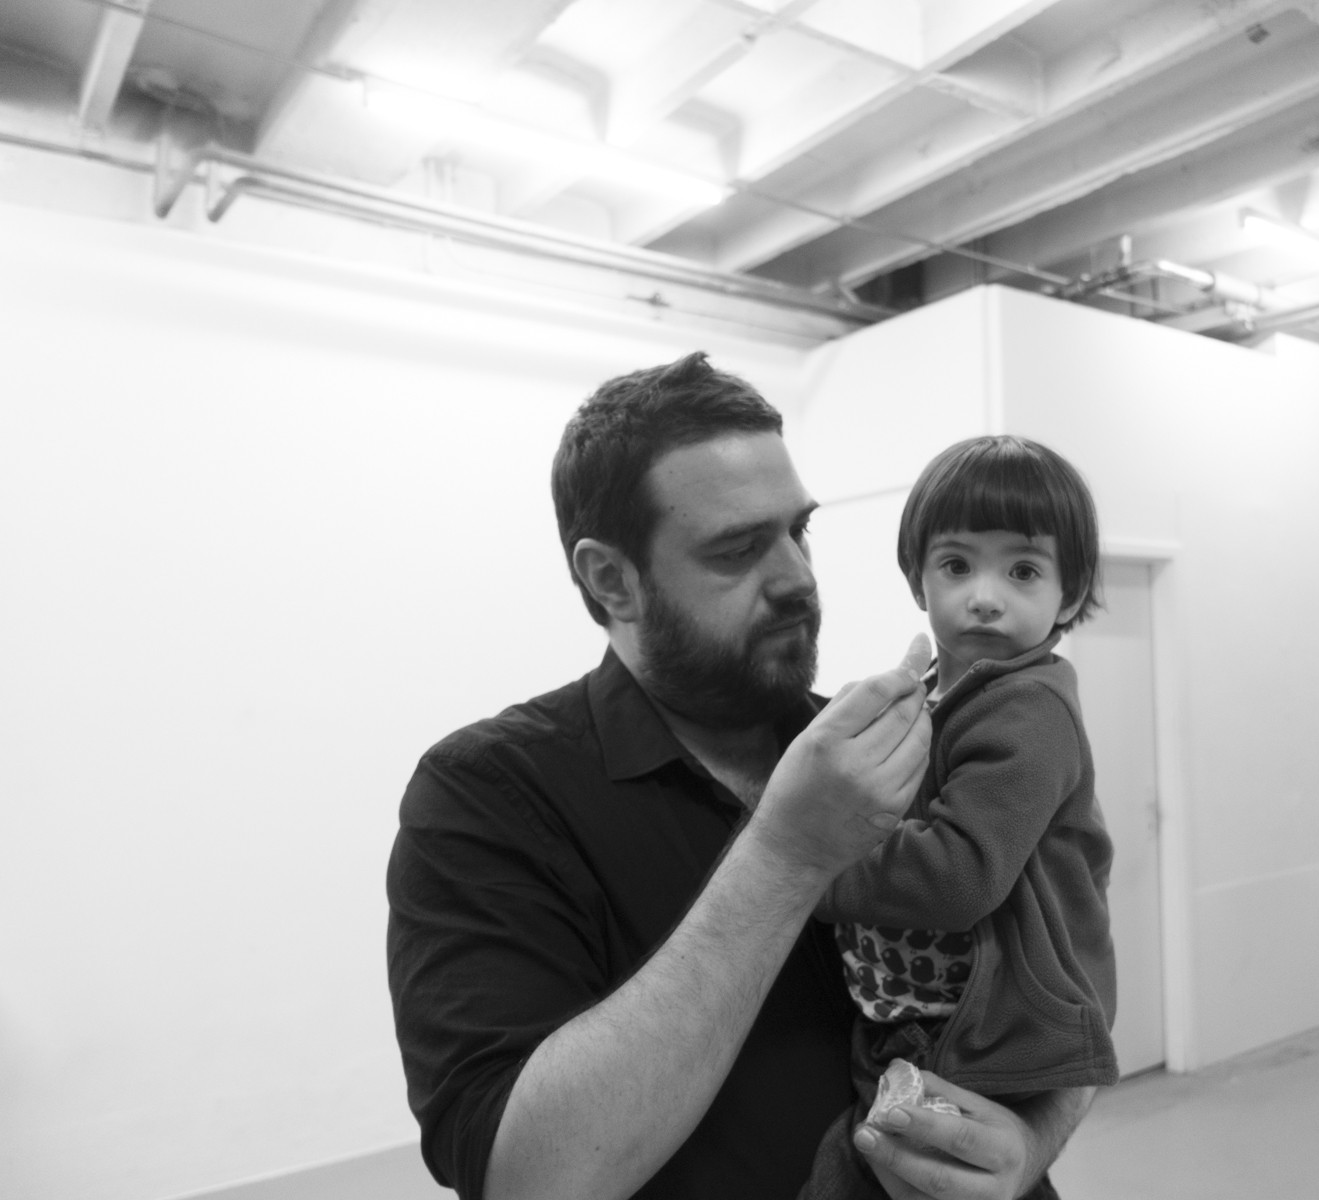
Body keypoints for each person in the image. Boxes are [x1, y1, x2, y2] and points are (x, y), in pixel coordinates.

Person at [386, 352, 1094, 1200]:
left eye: (799, 531)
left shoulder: (888, 740)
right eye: (737, 549)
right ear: (612, 579)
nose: (797, 578)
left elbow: (1068, 972)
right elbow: (527, 1179)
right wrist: (789, 854)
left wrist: (1032, 1140)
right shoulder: (487, 797)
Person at [799, 436, 1119, 1199]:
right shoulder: (940, 695)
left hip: (974, 1028)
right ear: (918, 578)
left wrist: (809, 863)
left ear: (1069, 594)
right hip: (917, 1011)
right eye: (956, 565)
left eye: (1023, 571)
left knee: (861, 1178)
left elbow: (959, 875)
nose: (984, 595)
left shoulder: (1027, 707)